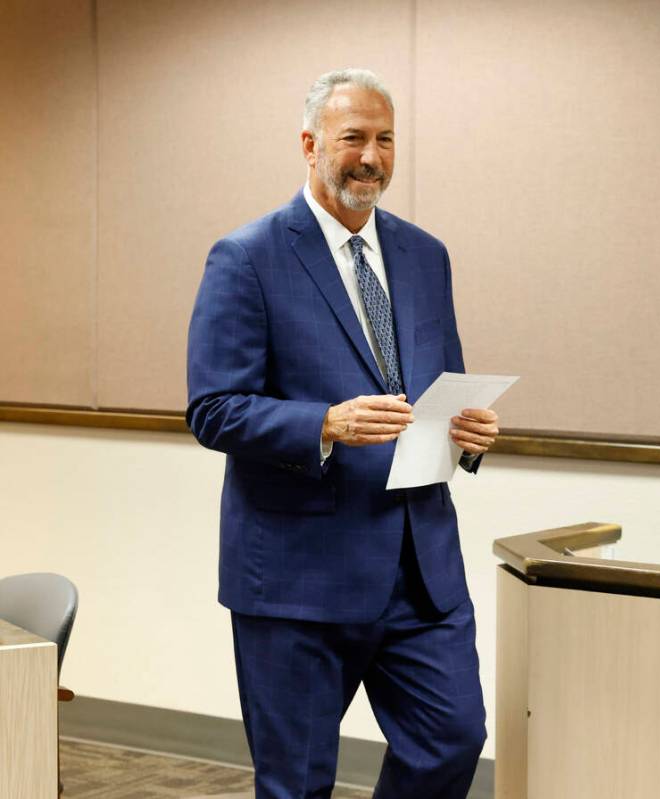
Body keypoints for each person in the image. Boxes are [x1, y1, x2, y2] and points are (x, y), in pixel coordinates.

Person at [186, 68, 498, 798]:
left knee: (453, 738)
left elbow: (437, 388)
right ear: (310, 144)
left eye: (386, 140)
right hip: (299, 575)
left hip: (420, 572)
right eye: (353, 137)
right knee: (296, 783)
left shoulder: (426, 254)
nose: (372, 157)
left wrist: (468, 433)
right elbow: (213, 408)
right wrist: (324, 423)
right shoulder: (247, 257)